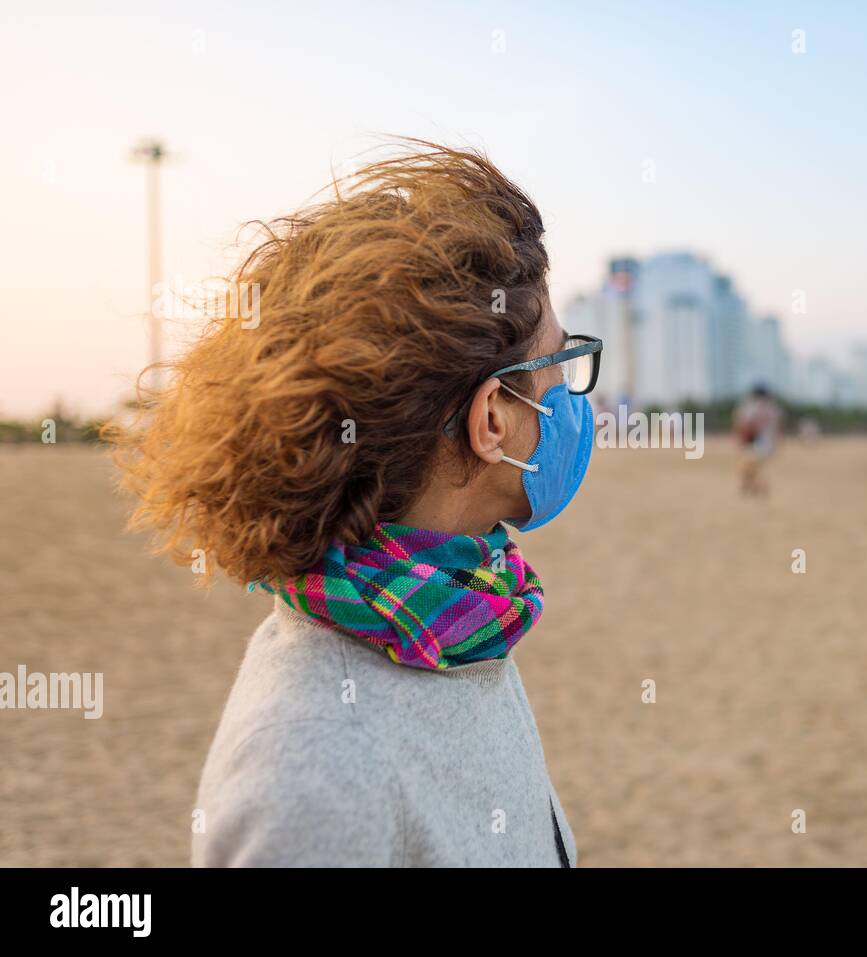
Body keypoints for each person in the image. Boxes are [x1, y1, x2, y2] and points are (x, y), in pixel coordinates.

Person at [107, 143, 601, 867]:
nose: (575, 396)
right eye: (562, 364)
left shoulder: (460, 614)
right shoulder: (310, 778)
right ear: (492, 417)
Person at [733, 384, 783, 496]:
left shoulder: (752, 407)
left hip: (759, 442)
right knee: (749, 468)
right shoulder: (774, 408)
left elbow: (744, 424)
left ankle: (757, 487)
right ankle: (753, 487)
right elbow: (778, 428)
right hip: (768, 443)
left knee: (747, 467)